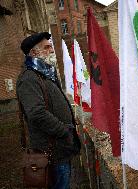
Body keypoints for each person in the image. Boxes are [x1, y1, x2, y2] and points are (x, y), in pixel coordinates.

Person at [16, 32, 81, 189]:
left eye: (51, 46)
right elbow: (37, 113)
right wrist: (64, 130)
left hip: (59, 150)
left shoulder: (44, 73)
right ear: (34, 52)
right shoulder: (29, 78)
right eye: (47, 47)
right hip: (50, 154)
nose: (52, 50)